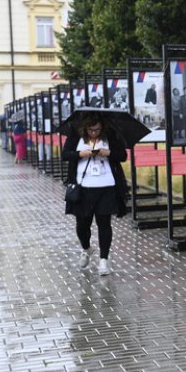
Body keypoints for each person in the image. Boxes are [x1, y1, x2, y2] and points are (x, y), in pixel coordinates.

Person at [61, 114, 128, 276]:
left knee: (104, 223)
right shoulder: (75, 135)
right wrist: (80, 154)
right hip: (83, 187)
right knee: (82, 225)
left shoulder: (110, 135)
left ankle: (104, 259)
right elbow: (65, 155)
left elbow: (123, 156)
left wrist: (108, 152)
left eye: (97, 129)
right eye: (91, 130)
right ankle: (86, 248)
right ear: (85, 128)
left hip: (106, 186)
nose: (94, 133)